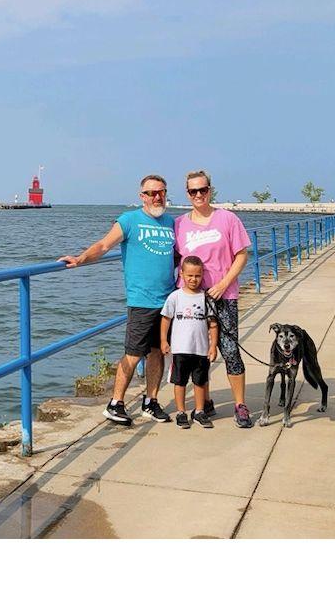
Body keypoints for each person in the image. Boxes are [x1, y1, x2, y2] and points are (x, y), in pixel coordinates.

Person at [59, 174, 175, 426]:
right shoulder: (129, 220)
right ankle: (116, 403)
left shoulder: (170, 222)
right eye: (151, 193)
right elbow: (104, 245)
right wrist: (80, 259)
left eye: (161, 192)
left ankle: (150, 401)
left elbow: (177, 257)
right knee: (133, 354)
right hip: (141, 300)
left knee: (157, 352)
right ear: (142, 196)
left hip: (167, 300)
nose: (157, 197)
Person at [174, 170, 253, 428]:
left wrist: (223, 283)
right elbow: (172, 259)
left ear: (210, 190)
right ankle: (204, 402)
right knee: (197, 353)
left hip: (223, 295)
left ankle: (240, 405)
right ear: (187, 194)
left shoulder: (227, 219)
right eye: (193, 191)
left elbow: (241, 255)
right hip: (191, 300)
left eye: (203, 190)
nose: (198, 195)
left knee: (230, 351)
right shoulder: (179, 224)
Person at [160, 256, 218, 429]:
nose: (193, 279)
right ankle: (181, 411)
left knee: (200, 382)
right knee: (180, 381)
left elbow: (213, 324)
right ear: (182, 274)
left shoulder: (206, 298)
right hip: (180, 349)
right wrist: (164, 340)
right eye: (190, 275)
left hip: (201, 349)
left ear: (202, 275)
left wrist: (213, 346)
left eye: (198, 276)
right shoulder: (175, 297)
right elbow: (166, 319)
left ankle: (199, 411)